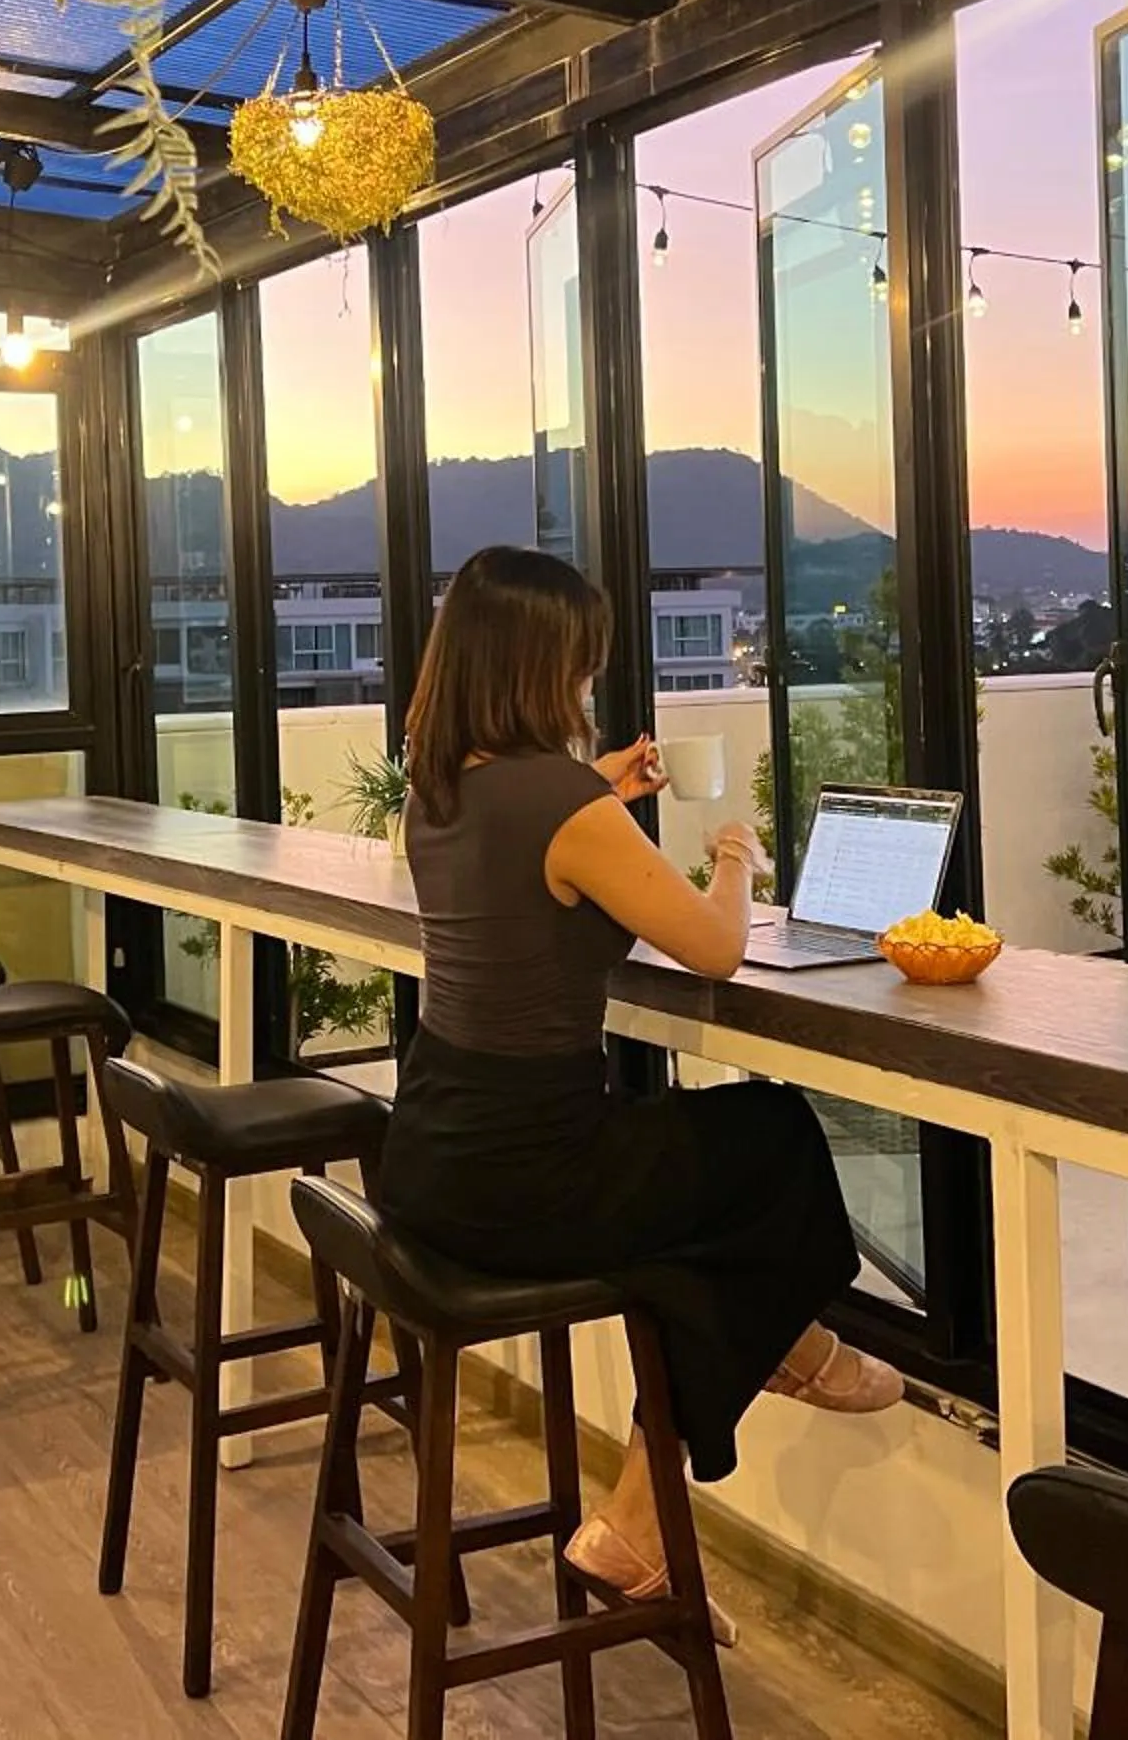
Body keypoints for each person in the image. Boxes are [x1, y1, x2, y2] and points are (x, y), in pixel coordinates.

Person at [376, 543, 902, 1610]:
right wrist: (734, 859)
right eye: (577, 662)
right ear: (538, 665)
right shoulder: (561, 802)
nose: (585, 684)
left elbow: (534, 883)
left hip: (430, 1159)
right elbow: (712, 947)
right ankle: (790, 1351)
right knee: (775, 1134)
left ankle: (647, 1514)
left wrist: (601, 795)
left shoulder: (435, 789)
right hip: (531, 1175)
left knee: (689, 1241)